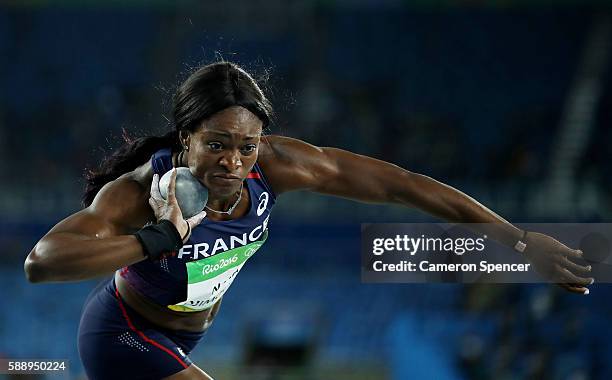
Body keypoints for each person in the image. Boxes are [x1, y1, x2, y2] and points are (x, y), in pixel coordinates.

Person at [23, 61, 594, 380]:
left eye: (247, 147)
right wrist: (157, 239)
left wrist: (516, 241)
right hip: (124, 336)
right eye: (216, 144)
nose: (233, 162)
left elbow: (403, 186)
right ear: (185, 138)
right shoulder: (142, 193)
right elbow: (42, 264)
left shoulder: (275, 165)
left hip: (184, 337)